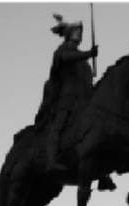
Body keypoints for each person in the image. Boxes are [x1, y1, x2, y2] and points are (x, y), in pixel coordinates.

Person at [36, 15, 98, 172]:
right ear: (69, 33)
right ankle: (51, 160)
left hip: (83, 101)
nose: (79, 34)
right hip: (66, 98)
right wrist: (88, 54)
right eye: (76, 31)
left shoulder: (84, 64)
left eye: (80, 32)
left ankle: (101, 170)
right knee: (58, 125)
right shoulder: (62, 52)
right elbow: (67, 58)